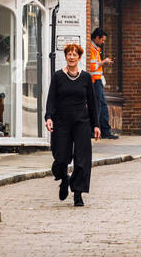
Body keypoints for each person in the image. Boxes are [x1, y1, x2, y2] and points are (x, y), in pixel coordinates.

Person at [45, 42, 101, 206]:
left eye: (74, 54)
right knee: (61, 157)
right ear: (66, 57)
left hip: (81, 122)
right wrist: (49, 117)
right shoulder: (57, 77)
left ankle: (78, 193)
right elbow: (51, 100)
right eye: (69, 54)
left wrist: (96, 125)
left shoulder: (85, 77)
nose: (71, 57)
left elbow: (92, 103)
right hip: (61, 121)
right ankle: (64, 178)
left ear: (79, 57)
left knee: (82, 158)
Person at [88, 27, 118, 139]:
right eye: (102, 40)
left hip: (98, 81)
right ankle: (97, 130)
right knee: (98, 106)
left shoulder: (95, 49)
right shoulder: (91, 49)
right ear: (96, 38)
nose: (103, 42)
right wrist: (103, 62)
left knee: (101, 106)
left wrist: (103, 62)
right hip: (94, 81)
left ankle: (104, 130)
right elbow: (91, 67)